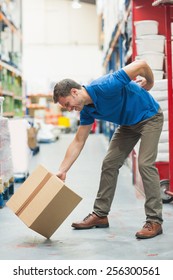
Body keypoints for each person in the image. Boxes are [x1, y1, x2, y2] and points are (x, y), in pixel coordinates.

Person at [53, 60, 164, 239]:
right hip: (128, 124)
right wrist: (62, 170)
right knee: (109, 163)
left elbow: (141, 64)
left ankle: (154, 220)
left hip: (149, 116)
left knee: (145, 164)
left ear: (74, 92)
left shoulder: (106, 85)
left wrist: (149, 82)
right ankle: (100, 215)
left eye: (67, 104)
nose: (69, 109)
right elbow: (78, 140)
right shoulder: (86, 110)